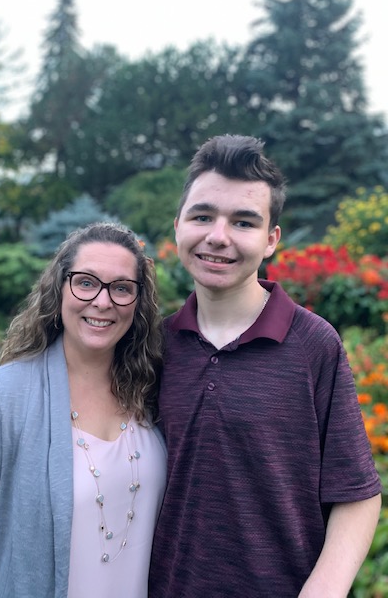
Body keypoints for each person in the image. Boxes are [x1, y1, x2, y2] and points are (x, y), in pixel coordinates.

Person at [149, 134, 382, 597]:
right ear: (178, 226)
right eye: (202, 216)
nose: (218, 236)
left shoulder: (313, 344)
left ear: (271, 239)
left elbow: (357, 493)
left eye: (243, 222)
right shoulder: (154, 345)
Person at [0, 222, 167, 598]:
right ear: (59, 288)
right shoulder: (6, 394)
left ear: (138, 301)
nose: (103, 301)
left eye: (122, 288)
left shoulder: (152, 390)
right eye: (87, 282)